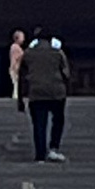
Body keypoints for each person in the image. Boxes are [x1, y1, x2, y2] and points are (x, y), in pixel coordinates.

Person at [18, 28, 69, 162]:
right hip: (56, 92)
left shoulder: (28, 53)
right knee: (58, 120)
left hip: (36, 92)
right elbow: (66, 73)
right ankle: (53, 148)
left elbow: (21, 76)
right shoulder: (58, 52)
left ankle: (40, 154)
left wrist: (20, 99)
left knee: (39, 124)